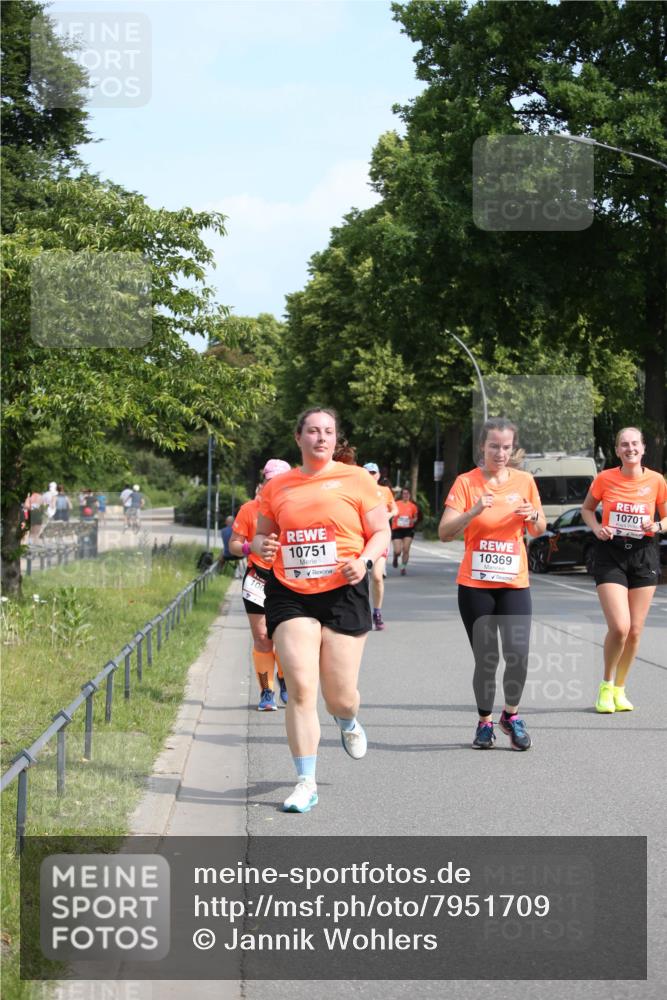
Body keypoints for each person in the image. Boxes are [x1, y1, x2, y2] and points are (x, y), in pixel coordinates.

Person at [254, 407, 390, 813]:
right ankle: (305, 782)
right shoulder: (279, 487)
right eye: (312, 431)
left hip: (343, 590)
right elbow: (262, 537)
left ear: (335, 438)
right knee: (300, 687)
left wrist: (364, 561)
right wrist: (264, 546)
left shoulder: (357, 479)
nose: (320, 438)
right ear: (298, 438)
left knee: (341, 697)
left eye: (328, 431)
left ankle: (347, 721)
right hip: (291, 592)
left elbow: (381, 531)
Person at [438, 418, 546, 751]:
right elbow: (444, 533)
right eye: (494, 446)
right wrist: (472, 511)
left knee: (519, 656)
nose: (500, 453)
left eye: (506, 447)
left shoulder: (525, 480)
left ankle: (510, 715)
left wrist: (532, 516)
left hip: (514, 583)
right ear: (482, 447)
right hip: (475, 585)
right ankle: (484, 722)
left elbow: (540, 528)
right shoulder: (466, 482)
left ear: (513, 449)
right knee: (487, 658)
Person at [581, 427, 667, 714]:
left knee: (636, 631)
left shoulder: (656, 480)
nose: (630, 448)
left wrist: (656, 526)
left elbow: (666, 517)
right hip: (610, 554)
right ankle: (605, 685)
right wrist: (597, 528)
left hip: (644, 554)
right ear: (617, 450)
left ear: (643, 448)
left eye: (635, 444)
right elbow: (586, 510)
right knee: (620, 627)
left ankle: (620, 688)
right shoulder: (605, 478)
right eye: (624, 445)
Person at [229, 460, 292, 711]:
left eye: (281, 481)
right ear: (264, 482)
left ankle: (286, 679)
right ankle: (267, 691)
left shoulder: (297, 508)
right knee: (263, 638)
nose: (275, 486)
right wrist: (249, 546)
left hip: (288, 579)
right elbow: (234, 544)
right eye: (271, 481)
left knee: (287, 638)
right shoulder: (249, 509)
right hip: (257, 577)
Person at [363, 462, 398, 629]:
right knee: (358, 579)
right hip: (360, 538)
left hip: (379, 537)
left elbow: (395, 509)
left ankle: (377, 612)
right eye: (367, 472)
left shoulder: (384, 491)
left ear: (378, 475)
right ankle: (360, 611)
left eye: (373, 472)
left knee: (377, 576)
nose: (370, 475)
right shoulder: (357, 491)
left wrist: (387, 515)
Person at [391, 487, 421, 575]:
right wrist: (393, 517)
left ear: (410, 495)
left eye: (407, 493)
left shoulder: (413, 506)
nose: (405, 495)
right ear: (402, 495)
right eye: (404, 493)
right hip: (397, 529)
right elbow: (391, 512)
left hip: (408, 529)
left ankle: (403, 567)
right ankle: (395, 557)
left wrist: (413, 520)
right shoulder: (396, 504)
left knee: (406, 549)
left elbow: (415, 517)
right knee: (397, 551)